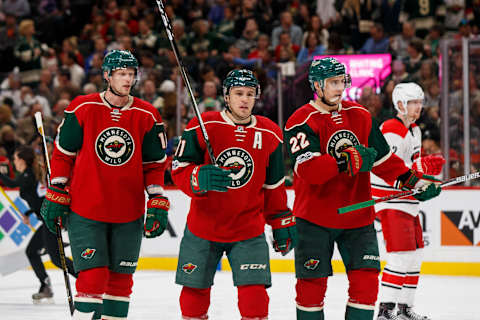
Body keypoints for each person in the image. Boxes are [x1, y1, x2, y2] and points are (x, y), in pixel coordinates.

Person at [283, 57, 442, 320]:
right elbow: (308, 171)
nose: (339, 87)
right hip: (314, 218)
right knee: (311, 290)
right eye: (332, 82)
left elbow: (384, 161)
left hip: (357, 218)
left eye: (341, 81)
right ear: (317, 85)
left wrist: (415, 183)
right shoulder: (301, 120)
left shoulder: (359, 114)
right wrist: (345, 159)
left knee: (366, 285)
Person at [40, 50, 170, 320]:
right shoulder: (83, 107)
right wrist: (57, 189)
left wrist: (156, 198)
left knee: (121, 282)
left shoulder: (147, 115)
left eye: (131, 74)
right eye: (122, 74)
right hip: (86, 210)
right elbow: (64, 154)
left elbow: (154, 165)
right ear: (107, 75)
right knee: (93, 276)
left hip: (129, 212)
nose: (127, 79)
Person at [171, 69, 297, 320]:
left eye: (250, 94)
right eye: (238, 93)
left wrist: (281, 219)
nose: (244, 99)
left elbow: (273, 186)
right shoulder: (203, 123)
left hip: (247, 229)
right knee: (194, 297)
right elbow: (178, 169)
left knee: (255, 302)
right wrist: (197, 177)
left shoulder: (270, 133)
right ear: (226, 96)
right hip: (203, 227)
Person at [372, 83, 445, 320]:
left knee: (414, 255)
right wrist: (417, 180)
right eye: (413, 102)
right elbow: (388, 171)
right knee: (400, 255)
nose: (418, 107)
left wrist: (424, 184)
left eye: (420, 103)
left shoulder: (415, 130)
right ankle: (385, 310)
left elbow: (411, 170)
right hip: (390, 201)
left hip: (407, 202)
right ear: (401, 104)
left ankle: (404, 309)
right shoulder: (391, 129)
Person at [0, 145, 77, 303]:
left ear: (22, 160)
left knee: (56, 258)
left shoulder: (28, 175)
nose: (14, 162)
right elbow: (39, 199)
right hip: (47, 221)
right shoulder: (30, 175)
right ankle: (45, 285)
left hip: (51, 221)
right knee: (32, 252)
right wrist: (29, 213)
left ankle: (86, 281)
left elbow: (13, 183)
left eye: (15, 158)